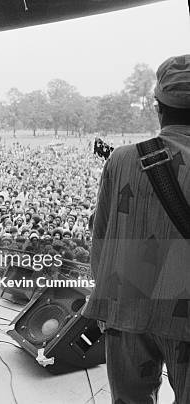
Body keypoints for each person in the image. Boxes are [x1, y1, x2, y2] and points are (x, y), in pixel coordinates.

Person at [84, 55, 190, 403]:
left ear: (158, 107)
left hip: (127, 304)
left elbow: (100, 235)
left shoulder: (123, 158)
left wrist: (105, 305)